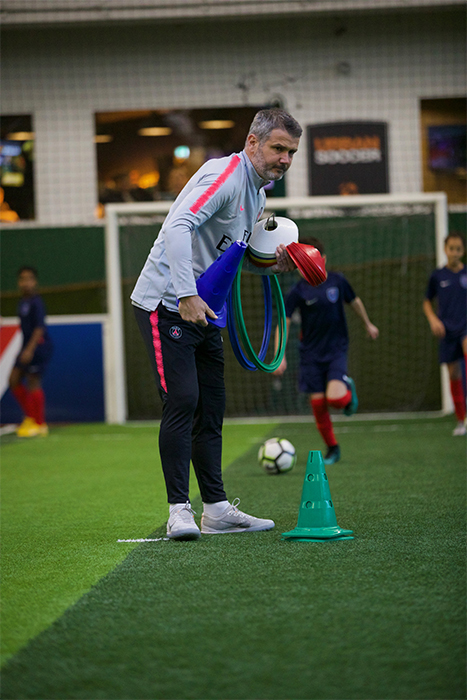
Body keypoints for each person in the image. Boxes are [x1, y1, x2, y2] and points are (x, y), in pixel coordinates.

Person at [131, 108, 302, 540]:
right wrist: (186, 294)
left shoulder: (258, 193)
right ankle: (178, 510)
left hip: (206, 308)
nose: (284, 158)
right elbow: (177, 227)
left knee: (212, 407)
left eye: (291, 152)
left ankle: (217, 509)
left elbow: (231, 257)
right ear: (252, 143)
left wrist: (271, 268)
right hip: (166, 303)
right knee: (183, 400)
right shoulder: (225, 175)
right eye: (278, 148)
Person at [273, 236, 379, 465]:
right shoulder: (297, 291)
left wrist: (368, 323)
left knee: (336, 399)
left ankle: (348, 393)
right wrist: (278, 356)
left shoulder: (338, 282)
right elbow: (284, 321)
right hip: (310, 355)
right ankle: (333, 448)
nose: (307, 266)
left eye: (312, 260)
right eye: (301, 262)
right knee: (319, 404)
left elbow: (356, 302)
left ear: (323, 260)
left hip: (336, 350)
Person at [423, 232, 467, 436]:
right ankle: (461, 420)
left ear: (463, 251)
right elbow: (426, 301)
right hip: (447, 332)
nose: (455, 253)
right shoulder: (437, 276)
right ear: (445, 249)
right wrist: (433, 319)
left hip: (465, 328)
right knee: (454, 375)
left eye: (459, 249)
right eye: (451, 249)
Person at [9, 266, 53, 437]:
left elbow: (39, 329)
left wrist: (29, 350)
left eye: (29, 279)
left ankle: (40, 424)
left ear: (34, 282)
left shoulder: (36, 302)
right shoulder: (22, 303)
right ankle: (30, 417)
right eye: (22, 279)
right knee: (13, 379)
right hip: (27, 346)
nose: (25, 283)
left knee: (33, 381)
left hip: (38, 347)